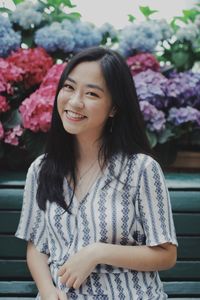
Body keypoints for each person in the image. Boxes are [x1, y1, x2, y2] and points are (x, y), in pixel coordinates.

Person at [15, 46, 178, 300]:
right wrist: (46, 290)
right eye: (69, 87)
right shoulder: (41, 169)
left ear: (114, 108)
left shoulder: (141, 170)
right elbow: (37, 245)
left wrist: (97, 252)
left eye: (91, 93)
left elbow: (166, 254)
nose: (74, 101)